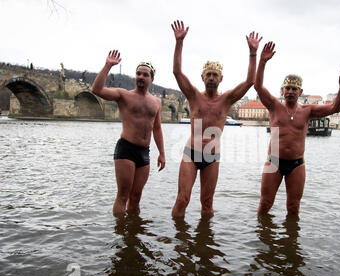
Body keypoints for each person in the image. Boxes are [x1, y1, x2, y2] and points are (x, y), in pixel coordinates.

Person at [170, 20, 262, 218]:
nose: (211, 78)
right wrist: (179, 43)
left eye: (215, 75)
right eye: (208, 74)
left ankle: (204, 246)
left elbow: (250, 82)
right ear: (202, 77)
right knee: (182, 199)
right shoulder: (194, 96)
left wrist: (253, 53)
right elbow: (177, 72)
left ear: (221, 79)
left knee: (207, 203)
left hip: (212, 157)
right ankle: (179, 245)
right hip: (191, 154)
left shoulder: (227, 99)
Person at [254, 41, 340, 216]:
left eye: (295, 89)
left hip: (297, 165)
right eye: (288, 88)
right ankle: (262, 239)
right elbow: (258, 87)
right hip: (273, 162)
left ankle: (290, 240)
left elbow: (334, 108)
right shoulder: (274, 106)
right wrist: (262, 62)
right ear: (282, 90)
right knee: (265, 204)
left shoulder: (308, 111)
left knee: (293, 207)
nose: (291, 91)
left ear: (300, 92)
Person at [92, 50, 166, 217]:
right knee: (123, 196)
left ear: (151, 79)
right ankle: (120, 233)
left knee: (136, 197)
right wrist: (108, 65)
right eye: (138, 73)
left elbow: (157, 128)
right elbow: (96, 89)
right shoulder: (123, 95)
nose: (140, 76)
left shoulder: (156, 102)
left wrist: (162, 153)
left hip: (144, 152)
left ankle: (133, 232)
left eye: (145, 74)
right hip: (126, 149)